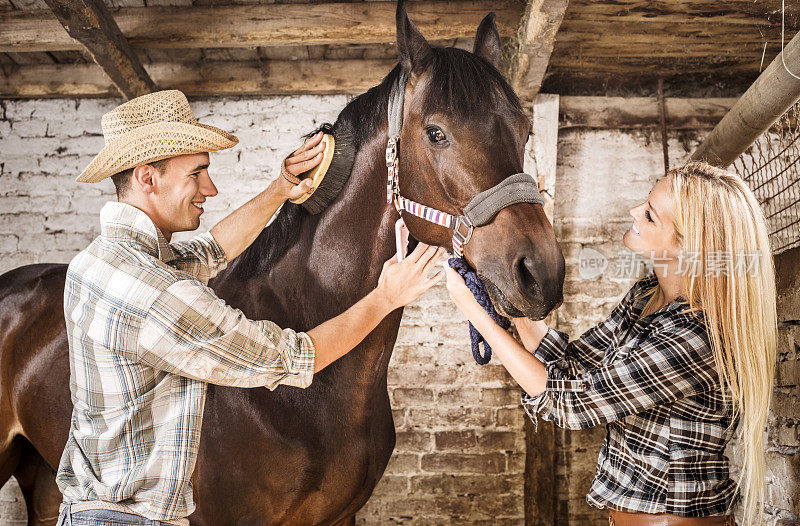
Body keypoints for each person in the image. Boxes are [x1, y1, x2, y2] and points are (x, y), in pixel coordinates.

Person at [55, 90, 444, 526]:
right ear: (148, 178)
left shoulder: (97, 262)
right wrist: (386, 298)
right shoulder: (154, 294)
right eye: (198, 173)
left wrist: (281, 189)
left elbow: (213, 250)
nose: (211, 188)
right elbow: (293, 357)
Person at [444, 161, 777, 526]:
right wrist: (511, 295)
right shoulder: (646, 295)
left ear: (684, 245)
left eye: (650, 215)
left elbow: (571, 403)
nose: (635, 211)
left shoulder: (698, 335)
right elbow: (572, 363)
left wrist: (475, 312)